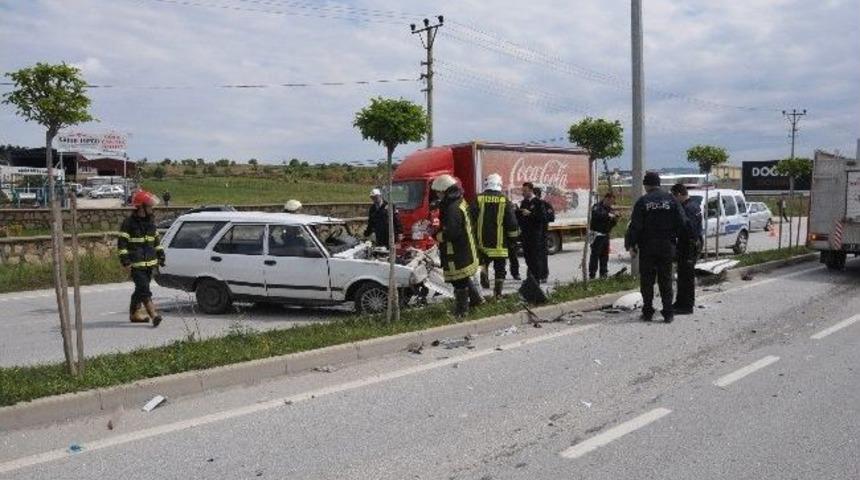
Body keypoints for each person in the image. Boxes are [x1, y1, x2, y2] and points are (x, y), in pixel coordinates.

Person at [625, 172, 687, 323]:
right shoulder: (671, 199)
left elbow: (635, 226)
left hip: (648, 247)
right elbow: (682, 222)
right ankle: (668, 313)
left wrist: (631, 245)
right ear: (659, 184)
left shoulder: (643, 201)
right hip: (667, 246)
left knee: (647, 281)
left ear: (646, 185)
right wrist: (678, 240)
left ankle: (647, 312)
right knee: (665, 280)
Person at [431, 174, 483, 316]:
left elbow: (452, 232)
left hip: (456, 250)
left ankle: (462, 311)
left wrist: (437, 235)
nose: (437, 195)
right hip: (465, 248)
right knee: (464, 277)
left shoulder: (452, 208)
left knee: (458, 280)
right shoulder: (459, 201)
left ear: (445, 191)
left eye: (438, 192)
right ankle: (476, 300)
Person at [118, 190, 166, 327]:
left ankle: (134, 314)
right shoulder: (128, 223)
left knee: (140, 289)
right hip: (136, 264)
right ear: (141, 207)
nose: (152, 208)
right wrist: (125, 260)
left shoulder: (151, 222)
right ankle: (154, 315)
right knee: (144, 288)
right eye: (150, 206)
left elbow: (156, 241)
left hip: (150, 264)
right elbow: (122, 244)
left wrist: (161, 255)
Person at [471, 173, 520, 298]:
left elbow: (471, 217)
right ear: (499, 184)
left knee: (483, 262)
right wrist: (513, 239)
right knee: (500, 269)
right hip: (500, 243)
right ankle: (497, 293)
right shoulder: (504, 200)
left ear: (487, 184)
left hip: (481, 242)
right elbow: (512, 222)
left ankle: (483, 272)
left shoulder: (478, 199)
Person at [671, 183, 703, 315]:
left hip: (688, 245)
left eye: (673, 196)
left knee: (686, 277)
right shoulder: (693, 205)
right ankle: (680, 302)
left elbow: (687, 229)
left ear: (678, 194)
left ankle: (686, 305)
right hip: (690, 244)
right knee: (683, 275)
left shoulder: (688, 208)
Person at [516, 182, 546, 282]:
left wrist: (530, 214)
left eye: (525, 191)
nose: (523, 193)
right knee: (527, 257)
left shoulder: (538, 202)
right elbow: (520, 218)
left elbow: (542, 218)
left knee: (535, 258)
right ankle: (531, 277)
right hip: (525, 235)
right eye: (522, 191)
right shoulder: (524, 202)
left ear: (531, 191)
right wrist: (516, 212)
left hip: (535, 235)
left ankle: (536, 279)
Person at [589, 192, 619, 279]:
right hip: (596, 235)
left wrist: (615, 219)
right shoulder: (597, 207)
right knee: (595, 255)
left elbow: (612, 223)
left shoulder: (610, 209)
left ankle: (603, 273)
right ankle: (592, 274)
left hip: (605, 235)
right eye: (610, 201)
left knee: (605, 255)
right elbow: (597, 215)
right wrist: (609, 215)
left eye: (612, 202)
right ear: (606, 199)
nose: (611, 204)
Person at [533, 187, 555, 283]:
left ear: (538, 195)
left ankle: (543, 275)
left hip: (542, 234)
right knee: (532, 257)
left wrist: (539, 215)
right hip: (531, 235)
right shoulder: (527, 204)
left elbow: (551, 217)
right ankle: (533, 275)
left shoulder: (545, 205)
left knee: (542, 256)